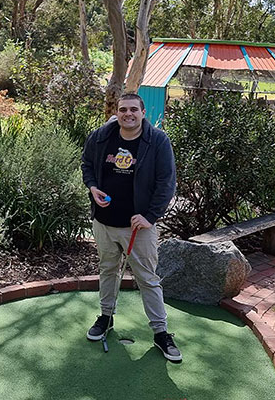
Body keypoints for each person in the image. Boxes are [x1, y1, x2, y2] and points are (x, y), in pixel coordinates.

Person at [81, 93, 181, 362]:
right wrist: (92, 187)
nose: (128, 114)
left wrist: (150, 216)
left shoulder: (157, 141)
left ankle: (161, 333)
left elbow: (166, 182)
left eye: (133, 110)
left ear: (143, 112)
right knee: (108, 270)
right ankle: (106, 317)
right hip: (104, 222)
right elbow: (87, 164)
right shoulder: (102, 136)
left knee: (147, 279)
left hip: (139, 226)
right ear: (117, 111)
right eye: (123, 109)